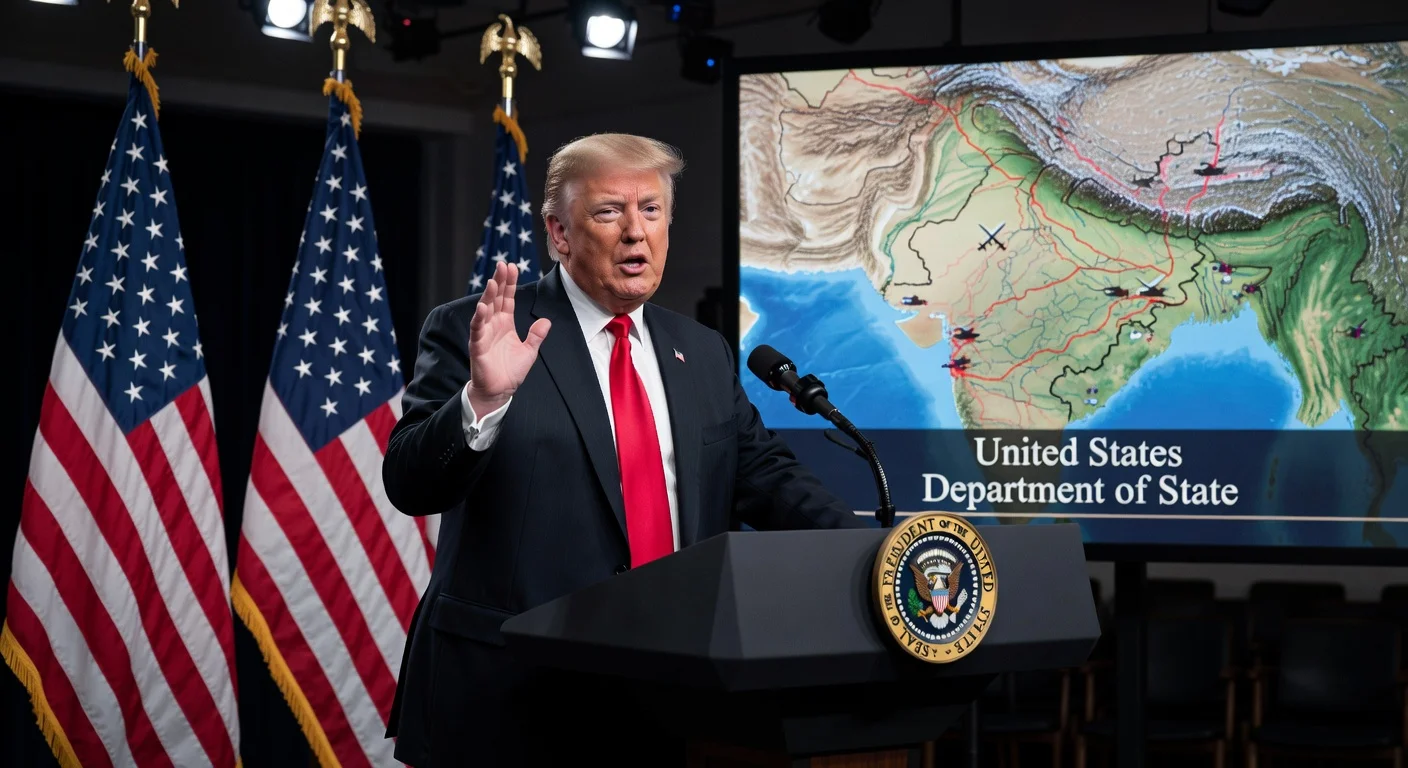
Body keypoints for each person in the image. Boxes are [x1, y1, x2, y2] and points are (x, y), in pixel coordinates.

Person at [382, 133, 868, 767]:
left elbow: (768, 477)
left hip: (671, 696)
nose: (636, 233)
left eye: (652, 210)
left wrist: (872, 553)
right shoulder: (478, 330)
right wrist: (482, 401)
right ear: (558, 234)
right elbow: (411, 484)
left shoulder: (701, 351)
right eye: (610, 211)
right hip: (512, 698)